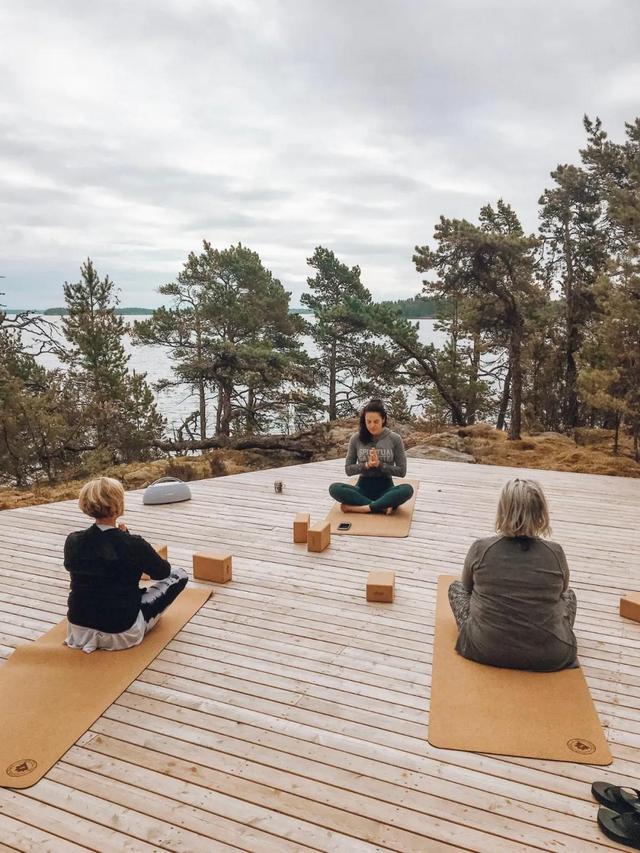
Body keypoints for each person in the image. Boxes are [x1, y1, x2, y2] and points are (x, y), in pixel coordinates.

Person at [448, 478, 578, 671]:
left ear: (502, 510)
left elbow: (467, 588)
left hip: (484, 649)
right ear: (541, 512)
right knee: (570, 596)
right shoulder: (555, 552)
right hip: (551, 655)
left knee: (455, 588)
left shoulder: (481, 548)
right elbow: (563, 591)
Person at [64, 476, 188, 653]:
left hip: (78, 628)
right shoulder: (133, 544)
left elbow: (87, 562)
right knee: (179, 575)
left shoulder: (73, 540)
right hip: (121, 630)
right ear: (118, 505)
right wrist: (127, 537)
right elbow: (162, 572)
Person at [329, 399, 414, 515]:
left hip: (386, 489)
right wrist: (366, 465)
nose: (372, 426)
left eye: (376, 421)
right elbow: (348, 469)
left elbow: (401, 471)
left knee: (407, 489)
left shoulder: (395, 439)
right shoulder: (356, 439)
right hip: (362, 489)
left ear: (383, 419)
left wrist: (380, 465)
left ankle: (363, 508)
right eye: (368, 422)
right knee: (334, 488)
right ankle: (381, 506)